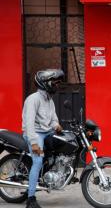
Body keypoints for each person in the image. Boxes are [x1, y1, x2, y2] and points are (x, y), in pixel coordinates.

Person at [22, 69, 64, 208]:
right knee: (38, 160)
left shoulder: (49, 100)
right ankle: (31, 199)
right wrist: (34, 143)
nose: (56, 85)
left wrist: (56, 125)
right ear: (45, 83)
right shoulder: (33, 99)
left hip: (47, 132)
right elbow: (29, 123)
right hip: (34, 134)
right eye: (55, 82)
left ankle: (48, 177)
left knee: (59, 149)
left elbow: (52, 119)